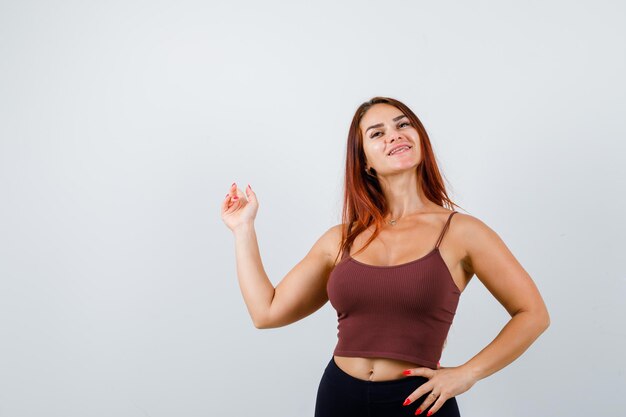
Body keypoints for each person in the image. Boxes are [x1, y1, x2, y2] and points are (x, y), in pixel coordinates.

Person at [220, 96, 550, 417]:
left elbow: (533, 313)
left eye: (403, 125)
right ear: (364, 160)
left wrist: (468, 373)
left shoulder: (464, 233)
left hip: (420, 403)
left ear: (419, 139)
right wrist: (243, 229)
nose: (394, 134)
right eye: (377, 133)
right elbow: (266, 312)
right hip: (339, 397)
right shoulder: (341, 239)